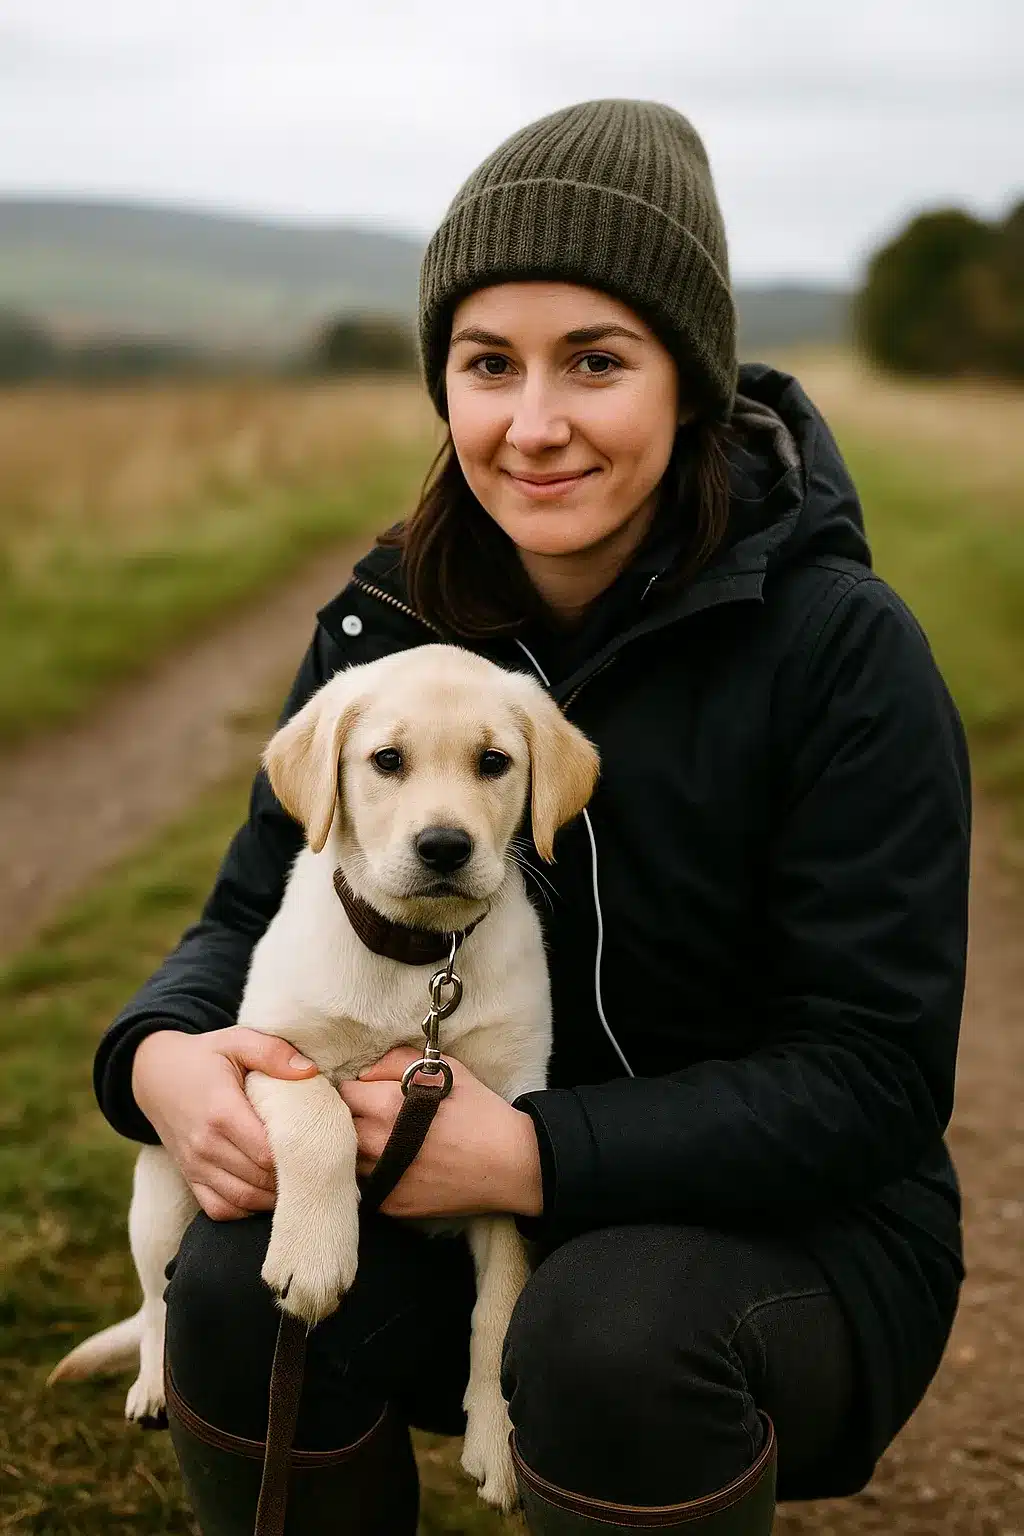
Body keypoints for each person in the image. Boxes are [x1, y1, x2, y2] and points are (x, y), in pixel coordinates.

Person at [92, 99, 970, 1535]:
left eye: (598, 363)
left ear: (686, 379)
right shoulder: (386, 624)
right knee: (231, 1281)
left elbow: (872, 1079)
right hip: (456, 1203)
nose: (536, 423)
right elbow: (256, 908)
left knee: (605, 1331)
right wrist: (162, 1061)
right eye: (488, 364)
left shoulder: (840, 654)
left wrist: (536, 1157)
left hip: (789, 1235)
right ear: (443, 381)